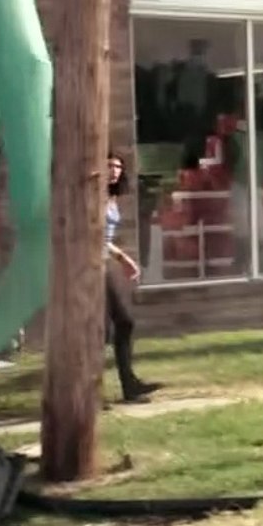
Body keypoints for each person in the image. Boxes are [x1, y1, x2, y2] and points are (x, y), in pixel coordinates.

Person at [106, 153, 163, 404]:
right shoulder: (94, 197)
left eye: (118, 166)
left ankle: (129, 385)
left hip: (105, 262)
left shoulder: (112, 197)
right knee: (103, 328)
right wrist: (123, 258)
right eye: (109, 165)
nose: (114, 170)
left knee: (125, 322)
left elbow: (105, 239)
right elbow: (94, 236)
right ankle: (88, 391)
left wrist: (123, 259)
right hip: (91, 266)